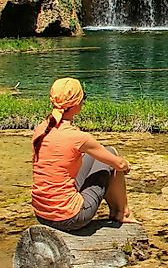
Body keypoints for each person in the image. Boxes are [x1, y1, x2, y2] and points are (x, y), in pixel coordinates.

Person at [31, 77, 135, 231]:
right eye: (83, 97)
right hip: (70, 218)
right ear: (76, 104)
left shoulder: (41, 129)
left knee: (96, 157)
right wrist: (125, 165)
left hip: (41, 214)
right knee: (111, 153)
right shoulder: (77, 137)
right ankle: (122, 212)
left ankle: (120, 212)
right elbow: (118, 164)